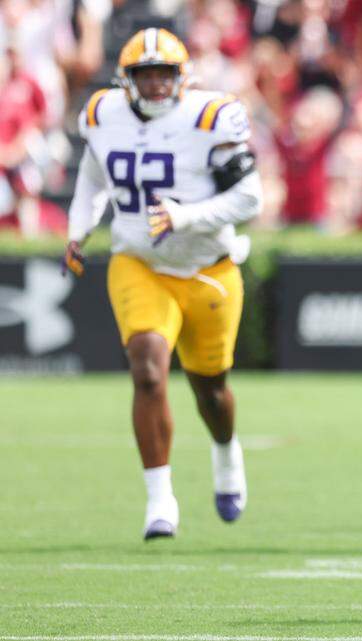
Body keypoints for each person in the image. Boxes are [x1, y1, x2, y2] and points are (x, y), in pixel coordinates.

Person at [63, 28, 262, 540]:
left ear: (182, 77)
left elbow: (250, 199)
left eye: (164, 75)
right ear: (125, 80)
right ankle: (160, 500)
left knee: (211, 388)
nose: (154, 85)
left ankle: (225, 453)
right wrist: (78, 228)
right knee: (148, 369)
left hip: (207, 268)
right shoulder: (103, 114)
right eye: (144, 75)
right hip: (139, 261)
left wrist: (186, 216)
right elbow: (92, 173)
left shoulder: (210, 117)